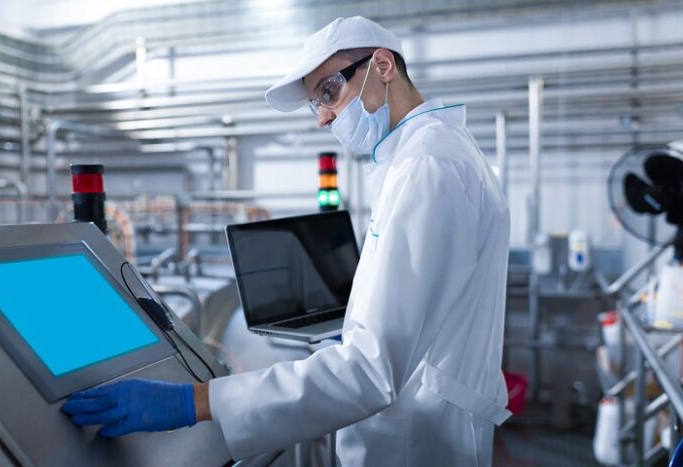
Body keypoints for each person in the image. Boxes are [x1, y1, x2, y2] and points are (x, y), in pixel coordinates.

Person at [62, 16, 511, 466]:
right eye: (316, 102)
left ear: (383, 66)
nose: (322, 117)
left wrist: (196, 402)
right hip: (429, 421)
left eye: (328, 92)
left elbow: (370, 372)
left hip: (415, 439)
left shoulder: (426, 166)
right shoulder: (432, 153)